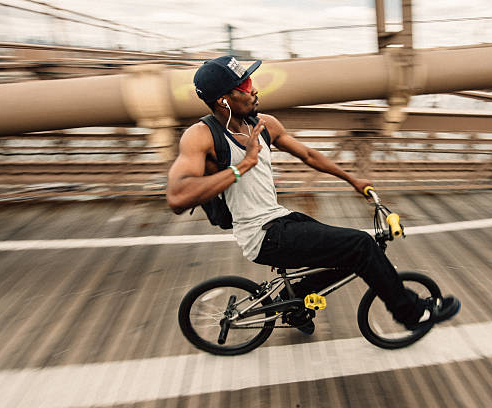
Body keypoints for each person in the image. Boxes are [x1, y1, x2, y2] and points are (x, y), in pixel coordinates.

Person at [166, 55, 460, 334]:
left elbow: (308, 154)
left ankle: (294, 306)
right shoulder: (201, 136)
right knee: (361, 245)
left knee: (348, 253)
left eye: (250, 81)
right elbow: (177, 197)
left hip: (280, 219)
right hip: (260, 235)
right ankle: (410, 314)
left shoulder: (263, 124)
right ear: (223, 100)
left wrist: (353, 180)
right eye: (244, 86)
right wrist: (244, 165)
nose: (254, 90)